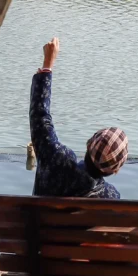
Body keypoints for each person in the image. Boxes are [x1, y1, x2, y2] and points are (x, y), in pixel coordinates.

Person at [29, 36, 128, 198]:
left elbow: (39, 116)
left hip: (35, 223)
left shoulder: (56, 157)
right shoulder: (109, 197)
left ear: (89, 143)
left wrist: (47, 65)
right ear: (115, 170)